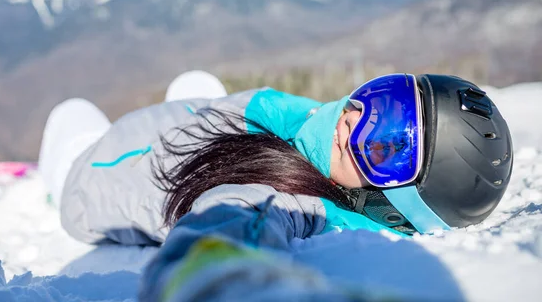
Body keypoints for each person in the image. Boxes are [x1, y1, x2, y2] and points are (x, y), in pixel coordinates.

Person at [38, 73, 513, 247]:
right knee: (196, 82)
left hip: (88, 174)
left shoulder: (290, 199)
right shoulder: (315, 133)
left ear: (391, 206)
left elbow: (234, 217)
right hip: (186, 127)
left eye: (386, 148)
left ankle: (50, 177)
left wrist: (218, 270)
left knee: (70, 113)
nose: (355, 122)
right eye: (381, 99)